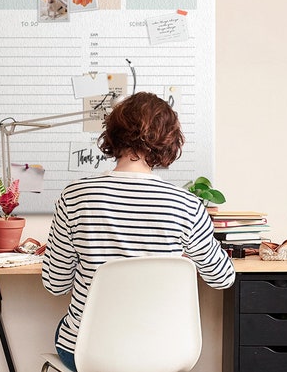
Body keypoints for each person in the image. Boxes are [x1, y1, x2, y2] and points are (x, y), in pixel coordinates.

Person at [42, 92, 235, 371]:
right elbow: (222, 278)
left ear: (113, 135)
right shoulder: (187, 205)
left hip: (89, 355)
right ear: (168, 141)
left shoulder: (75, 196)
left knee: (70, 327)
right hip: (164, 353)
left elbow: (55, 284)